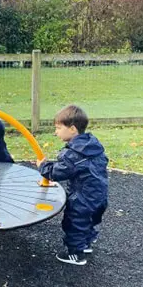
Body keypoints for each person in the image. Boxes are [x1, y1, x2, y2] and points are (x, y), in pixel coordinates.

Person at [38, 105, 108, 266]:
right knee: (90, 220)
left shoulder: (74, 153)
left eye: (58, 128)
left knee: (74, 223)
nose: (56, 132)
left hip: (82, 197)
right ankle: (86, 244)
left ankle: (75, 254)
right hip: (99, 195)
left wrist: (43, 167)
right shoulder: (92, 146)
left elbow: (58, 172)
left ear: (72, 129)